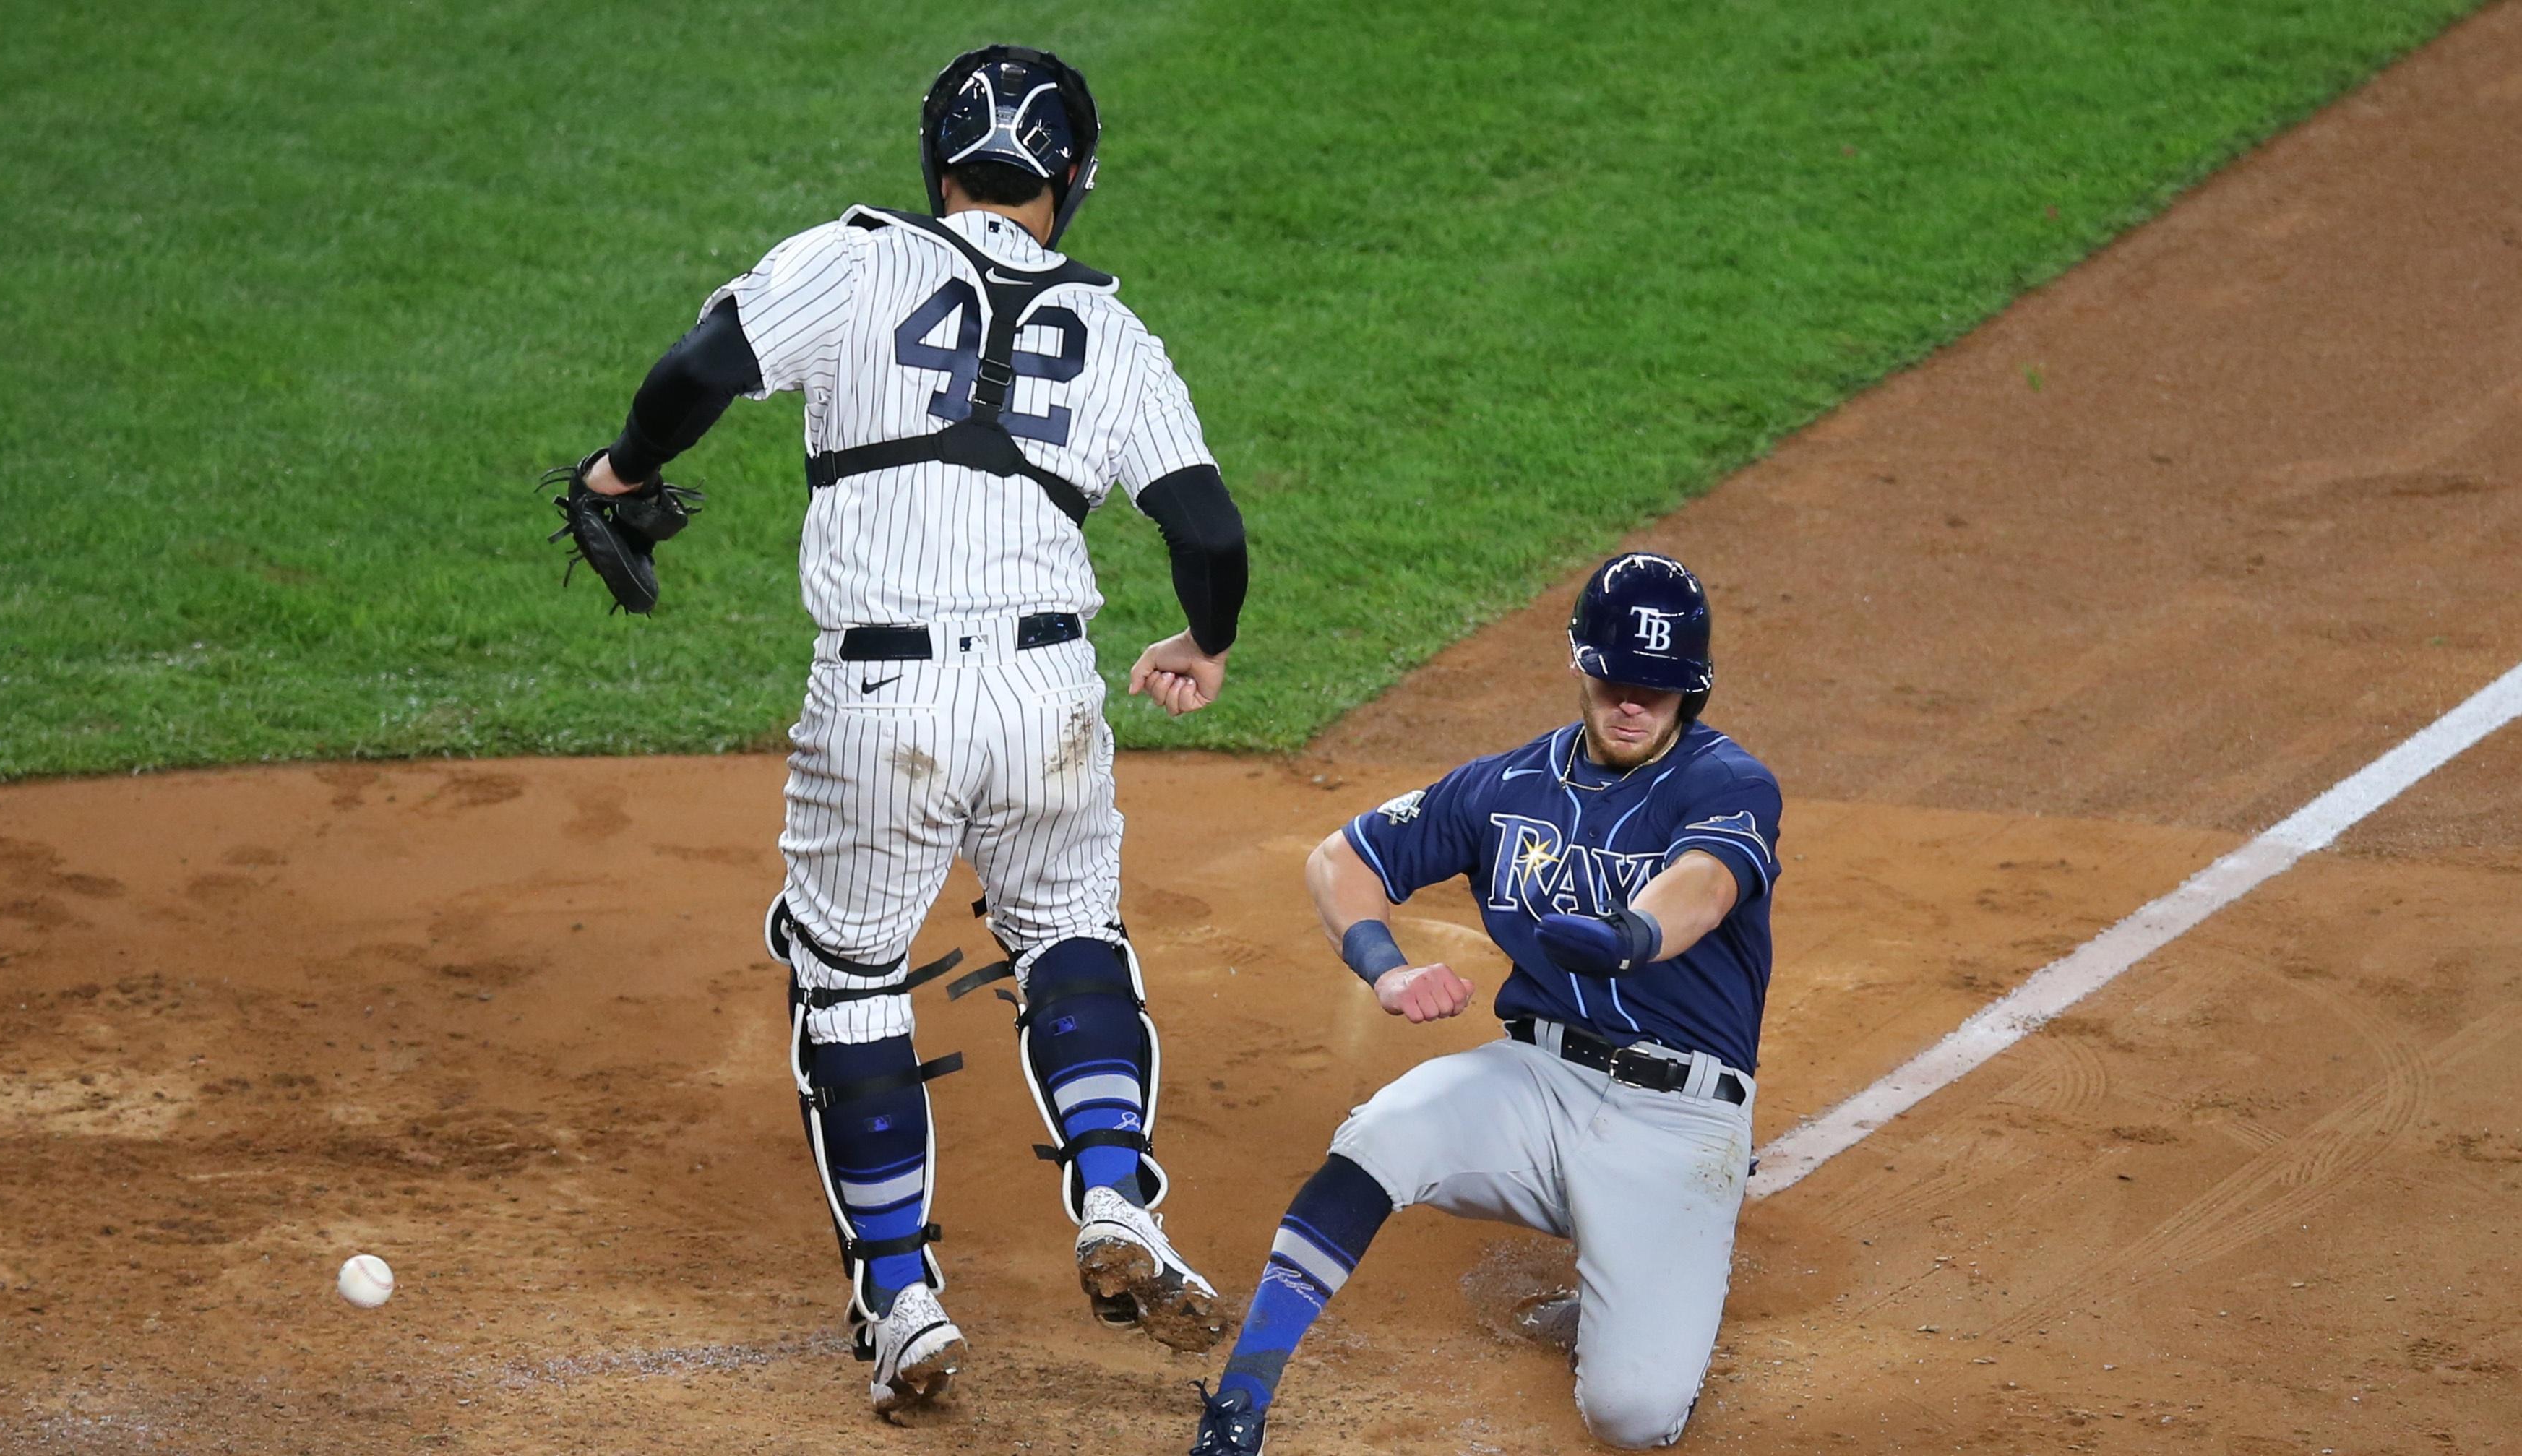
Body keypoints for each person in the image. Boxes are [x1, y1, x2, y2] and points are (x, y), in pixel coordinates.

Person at [559, 45, 1247, 1416]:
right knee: (1071, 938)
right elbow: (1209, 533)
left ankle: (903, 1296)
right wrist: (1203, 644)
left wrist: (620, 471)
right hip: (1049, 697)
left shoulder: (854, 259)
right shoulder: (1114, 332)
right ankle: (1113, 1195)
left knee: (854, 979)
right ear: (1072, 184)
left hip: (883, 705)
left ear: (938, 166)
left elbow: (699, 367)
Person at [1187, 552, 1779, 1452]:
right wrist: (1384, 966)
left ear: (1688, 693)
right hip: (1535, 1083)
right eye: (1616, 678)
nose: (1631, 702)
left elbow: (1701, 885)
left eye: (1656, 691)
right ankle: (1239, 1401)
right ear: (1581, 665)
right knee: (1380, 1133)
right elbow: (1337, 862)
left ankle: (1648, 1271)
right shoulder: (1504, 788)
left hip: (1678, 1121)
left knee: (1632, 1414)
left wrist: (1632, 936)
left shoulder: (1728, 783)